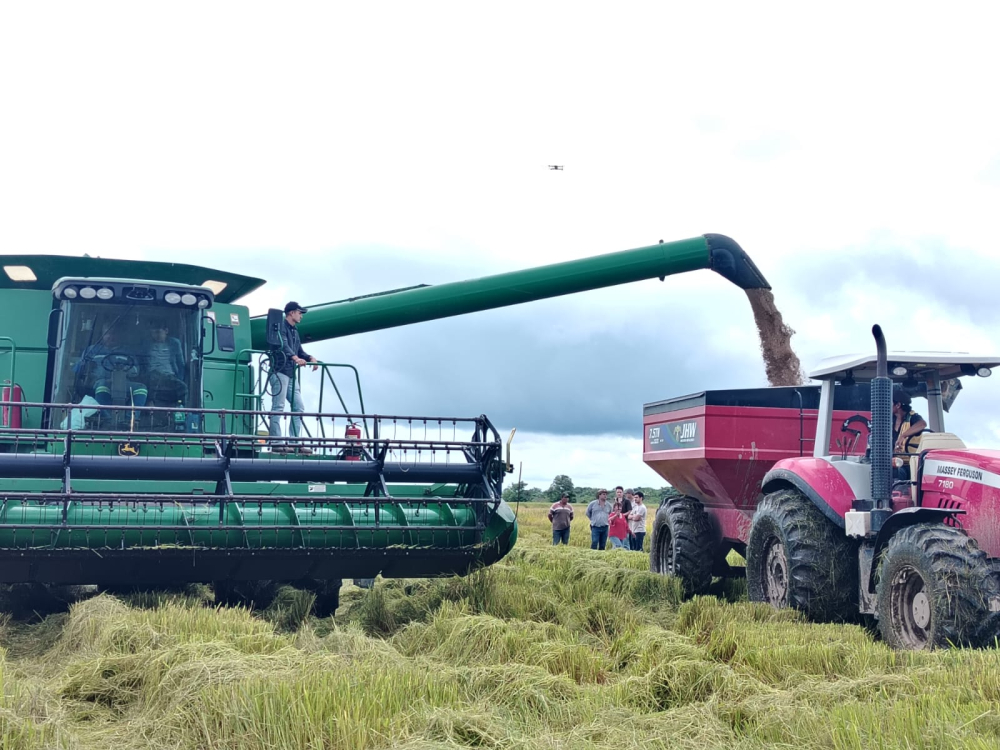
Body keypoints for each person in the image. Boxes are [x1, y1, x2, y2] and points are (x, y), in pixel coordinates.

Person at [268, 301, 319, 454]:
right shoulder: (281, 328)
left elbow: (299, 351)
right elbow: (284, 345)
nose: (301, 315)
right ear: (291, 313)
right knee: (278, 407)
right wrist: (295, 358)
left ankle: (295, 442)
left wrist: (310, 358)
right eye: (299, 312)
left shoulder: (295, 331)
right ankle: (276, 442)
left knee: (298, 406)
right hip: (279, 372)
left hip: (290, 374)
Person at [75, 326, 148, 416]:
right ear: (102, 335)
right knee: (103, 386)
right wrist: (86, 366)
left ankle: (131, 419)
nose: (111, 336)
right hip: (97, 382)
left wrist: (125, 370)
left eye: (114, 333)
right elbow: (78, 369)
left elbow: (135, 371)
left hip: (123, 383)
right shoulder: (92, 350)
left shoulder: (127, 351)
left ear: (120, 336)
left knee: (141, 388)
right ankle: (106, 418)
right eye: (107, 333)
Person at [139, 318, 186, 405]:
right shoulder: (146, 343)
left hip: (170, 375)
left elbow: (180, 363)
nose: (156, 335)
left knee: (183, 387)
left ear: (166, 331)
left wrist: (179, 378)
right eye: (153, 333)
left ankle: (182, 409)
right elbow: (142, 362)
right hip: (152, 375)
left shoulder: (175, 343)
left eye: (158, 332)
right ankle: (150, 404)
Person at [892, 388, 927, 480]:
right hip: (894, 462)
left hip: (911, 463)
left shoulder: (912, 417)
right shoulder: (889, 419)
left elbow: (922, 424)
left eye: (889, 403)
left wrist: (903, 436)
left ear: (898, 405)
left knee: (897, 472)